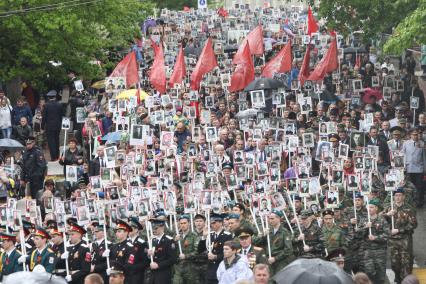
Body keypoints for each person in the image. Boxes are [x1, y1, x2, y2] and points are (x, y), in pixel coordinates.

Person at [382, 188, 417, 283]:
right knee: (394, 264)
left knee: (406, 264)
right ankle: (398, 278)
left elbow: (413, 224)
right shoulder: (389, 207)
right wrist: (387, 214)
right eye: (396, 195)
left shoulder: (409, 209)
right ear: (393, 197)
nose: (398, 197)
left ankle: (405, 281)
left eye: (400, 195)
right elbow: (379, 220)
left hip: (405, 240)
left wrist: (399, 230)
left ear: (404, 197)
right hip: (393, 240)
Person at [253, 209, 294, 275]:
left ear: (278, 219)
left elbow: (288, 250)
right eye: (269, 219)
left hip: (280, 260)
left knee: (278, 278)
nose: (270, 221)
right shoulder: (268, 231)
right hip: (268, 259)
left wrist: (275, 258)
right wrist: (263, 235)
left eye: (272, 219)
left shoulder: (284, 232)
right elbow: (255, 242)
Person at [360, 198, 389, 284]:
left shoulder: (382, 220)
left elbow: (387, 235)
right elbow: (357, 235)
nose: (369, 209)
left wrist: (376, 238)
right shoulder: (364, 219)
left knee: (380, 275)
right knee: (369, 273)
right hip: (368, 251)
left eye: (371, 207)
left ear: (376, 208)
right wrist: (365, 227)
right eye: (368, 207)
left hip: (380, 251)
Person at [198, 213, 233, 284]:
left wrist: (216, 257)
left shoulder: (227, 235)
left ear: (220, 223)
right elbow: (200, 250)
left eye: (214, 223)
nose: (212, 225)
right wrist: (204, 237)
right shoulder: (209, 235)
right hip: (210, 270)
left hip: (221, 268)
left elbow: (230, 253)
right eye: (211, 223)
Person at [147, 215, 177, 284]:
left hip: (164, 274)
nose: (154, 230)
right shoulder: (152, 241)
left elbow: (172, 259)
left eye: (156, 228)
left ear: (162, 227)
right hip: (153, 274)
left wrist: (158, 265)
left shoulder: (168, 240)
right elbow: (151, 258)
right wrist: (149, 255)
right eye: (153, 228)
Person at [401, 128, 426, 207]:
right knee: (409, 186)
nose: (416, 136)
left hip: (419, 168)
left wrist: (424, 169)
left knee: (419, 186)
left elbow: (424, 157)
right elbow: (402, 155)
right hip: (409, 168)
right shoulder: (406, 143)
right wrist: (403, 166)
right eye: (414, 134)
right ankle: (410, 202)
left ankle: (419, 202)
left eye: (417, 134)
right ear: (410, 135)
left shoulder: (422, 143)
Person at [173, 214, 200, 284]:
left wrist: (186, 256)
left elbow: (197, 251)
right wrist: (174, 241)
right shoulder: (177, 236)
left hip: (190, 267)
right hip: (178, 267)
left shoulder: (194, 235)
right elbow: (171, 250)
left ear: (189, 223)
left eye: (185, 223)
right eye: (181, 223)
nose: (183, 225)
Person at [42, 90, 63, 161]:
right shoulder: (59, 105)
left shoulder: (46, 105)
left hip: (49, 126)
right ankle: (57, 155)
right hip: (57, 125)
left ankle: (53, 157)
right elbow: (61, 116)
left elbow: (44, 117)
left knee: (51, 142)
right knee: (56, 140)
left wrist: (42, 126)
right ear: (55, 97)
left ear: (49, 98)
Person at [127, 217, 148, 284]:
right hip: (126, 275)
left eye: (130, 228)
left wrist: (132, 268)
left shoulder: (141, 243)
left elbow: (145, 262)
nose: (128, 230)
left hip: (137, 276)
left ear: (136, 230)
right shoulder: (126, 242)